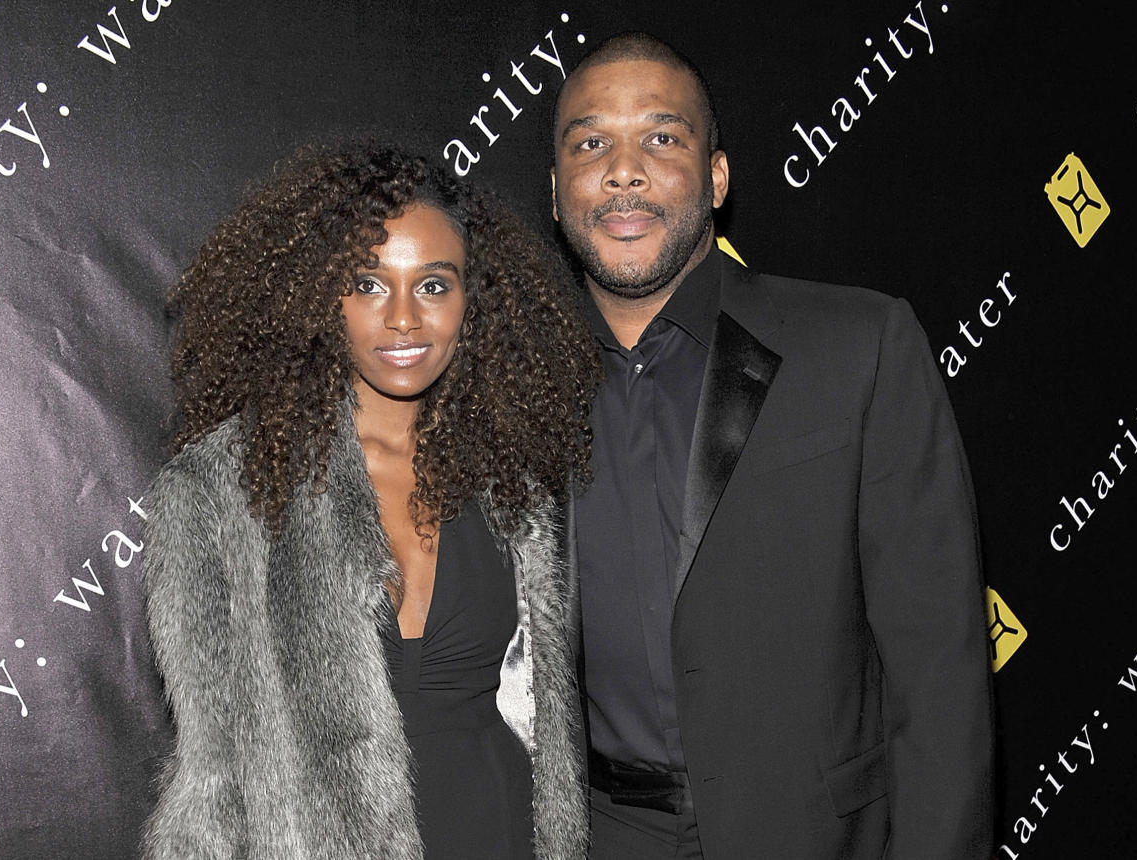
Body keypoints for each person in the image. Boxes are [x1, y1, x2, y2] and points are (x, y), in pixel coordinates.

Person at [551, 33, 994, 859]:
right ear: (554, 189)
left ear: (716, 177)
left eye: (660, 137)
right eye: (589, 143)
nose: (622, 169)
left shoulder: (859, 344)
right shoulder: (509, 387)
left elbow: (940, 675)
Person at [140, 143, 596, 859]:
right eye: (370, 283)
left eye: (435, 285)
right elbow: (210, 771)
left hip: (501, 829)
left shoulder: (513, 487)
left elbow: (546, 721)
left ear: (473, 304)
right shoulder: (223, 491)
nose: (405, 318)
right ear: (322, 296)